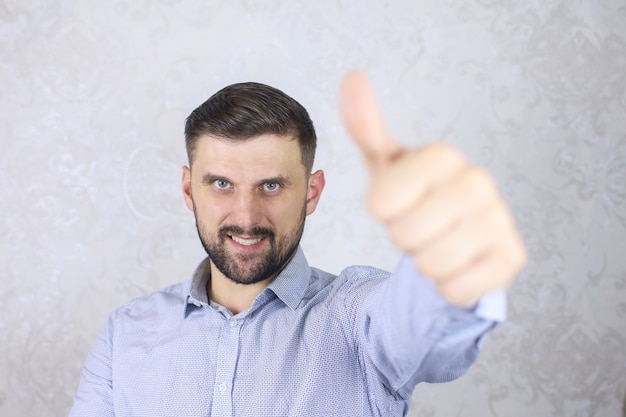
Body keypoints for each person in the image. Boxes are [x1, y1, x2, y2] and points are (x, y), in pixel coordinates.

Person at [69, 72, 526, 417]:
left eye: (271, 186)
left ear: (311, 192)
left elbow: (426, 331)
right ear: (189, 191)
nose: (245, 217)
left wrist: (448, 265)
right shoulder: (126, 334)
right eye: (222, 183)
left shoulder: (356, 319)